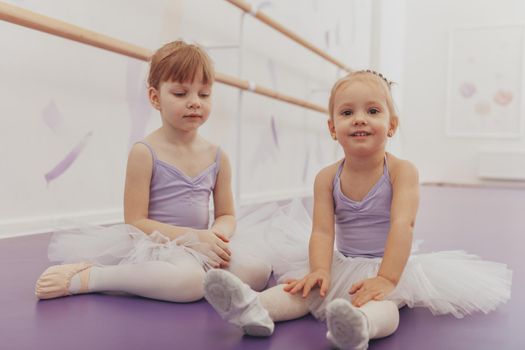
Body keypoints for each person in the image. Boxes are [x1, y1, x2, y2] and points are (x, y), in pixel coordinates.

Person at [202, 70, 512, 349]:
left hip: (388, 263)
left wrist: (387, 279)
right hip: (342, 261)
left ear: (391, 126)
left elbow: (402, 226)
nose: (359, 118)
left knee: (384, 304)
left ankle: (359, 327)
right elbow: (323, 231)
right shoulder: (326, 177)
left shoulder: (402, 172)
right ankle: (252, 307)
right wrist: (321, 269)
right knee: (305, 290)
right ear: (332, 128)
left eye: (372, 111)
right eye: (347, 112)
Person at [35, 40, 271, 302]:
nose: (195, 102)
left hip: (202, 244)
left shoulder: (218, 156)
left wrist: (218, 236)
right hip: (160, 245)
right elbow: (136, 222)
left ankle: (195, 279)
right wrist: (192, 238)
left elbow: (227, 214)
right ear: (155, 97)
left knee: (258, 271)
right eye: (181, 94)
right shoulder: (144, 152)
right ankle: (93, 277)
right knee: (189, 282)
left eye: (204, 94)